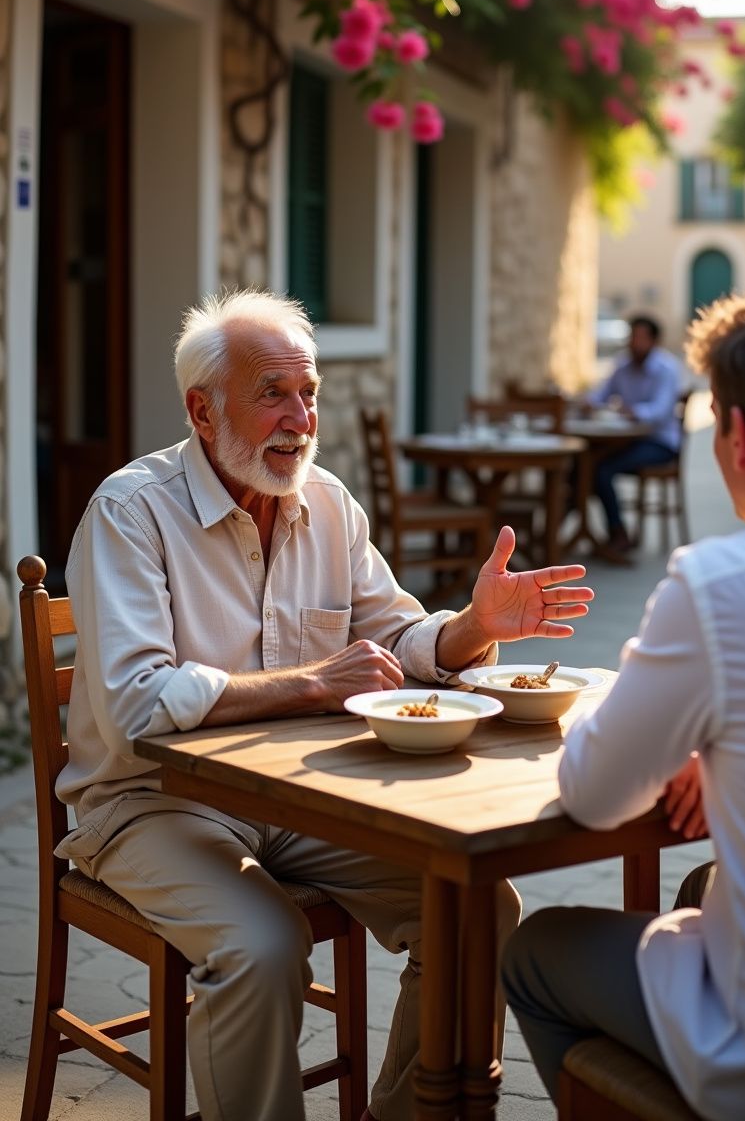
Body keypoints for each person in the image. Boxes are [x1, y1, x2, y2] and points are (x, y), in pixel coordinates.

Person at [55, 288, 595, 1121]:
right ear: (203, 410)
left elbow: (400, 640)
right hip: (148, 803)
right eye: (272, 392)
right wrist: (312, 683)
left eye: (308, 394)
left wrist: (473, 627)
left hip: (301, 793)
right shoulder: (131, 512)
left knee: (480, 907)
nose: (298, 418)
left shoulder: (330, 505)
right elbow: (135, 704)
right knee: (265, 945)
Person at [502, 280, 745, 1121]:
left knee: (535, 949)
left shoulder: (723, 587)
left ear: (738, 433)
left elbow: (595, 794)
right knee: (699, 892)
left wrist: (694, 737)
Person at [585, 313, 682, 554]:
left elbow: (661, 411)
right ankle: (583, 531)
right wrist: (588, 403)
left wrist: (633, 412)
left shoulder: (666, 369)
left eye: (641, 337)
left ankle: (618, 533)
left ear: (654, 341)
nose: (635, 343)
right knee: (583, 464)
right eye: (632, 337)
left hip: (659, 443)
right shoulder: (622, 365)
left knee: (601, 469)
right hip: (627, 440)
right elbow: (601, 394)